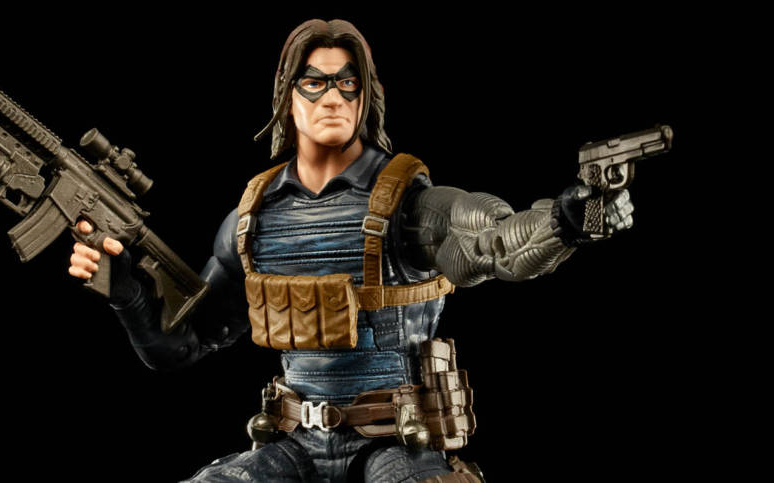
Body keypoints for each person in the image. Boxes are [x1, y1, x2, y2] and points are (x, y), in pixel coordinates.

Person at [68, 19, 633, 483]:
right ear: (287, 96)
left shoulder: (408, 203)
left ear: (366, 96)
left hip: (397, 445)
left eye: (347, 83)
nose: (333, 97)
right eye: (314, 83)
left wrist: (566, 219)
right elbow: (182, 346)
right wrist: (126, 294)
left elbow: (495, 245)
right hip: (291, 443)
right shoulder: (252, 219)